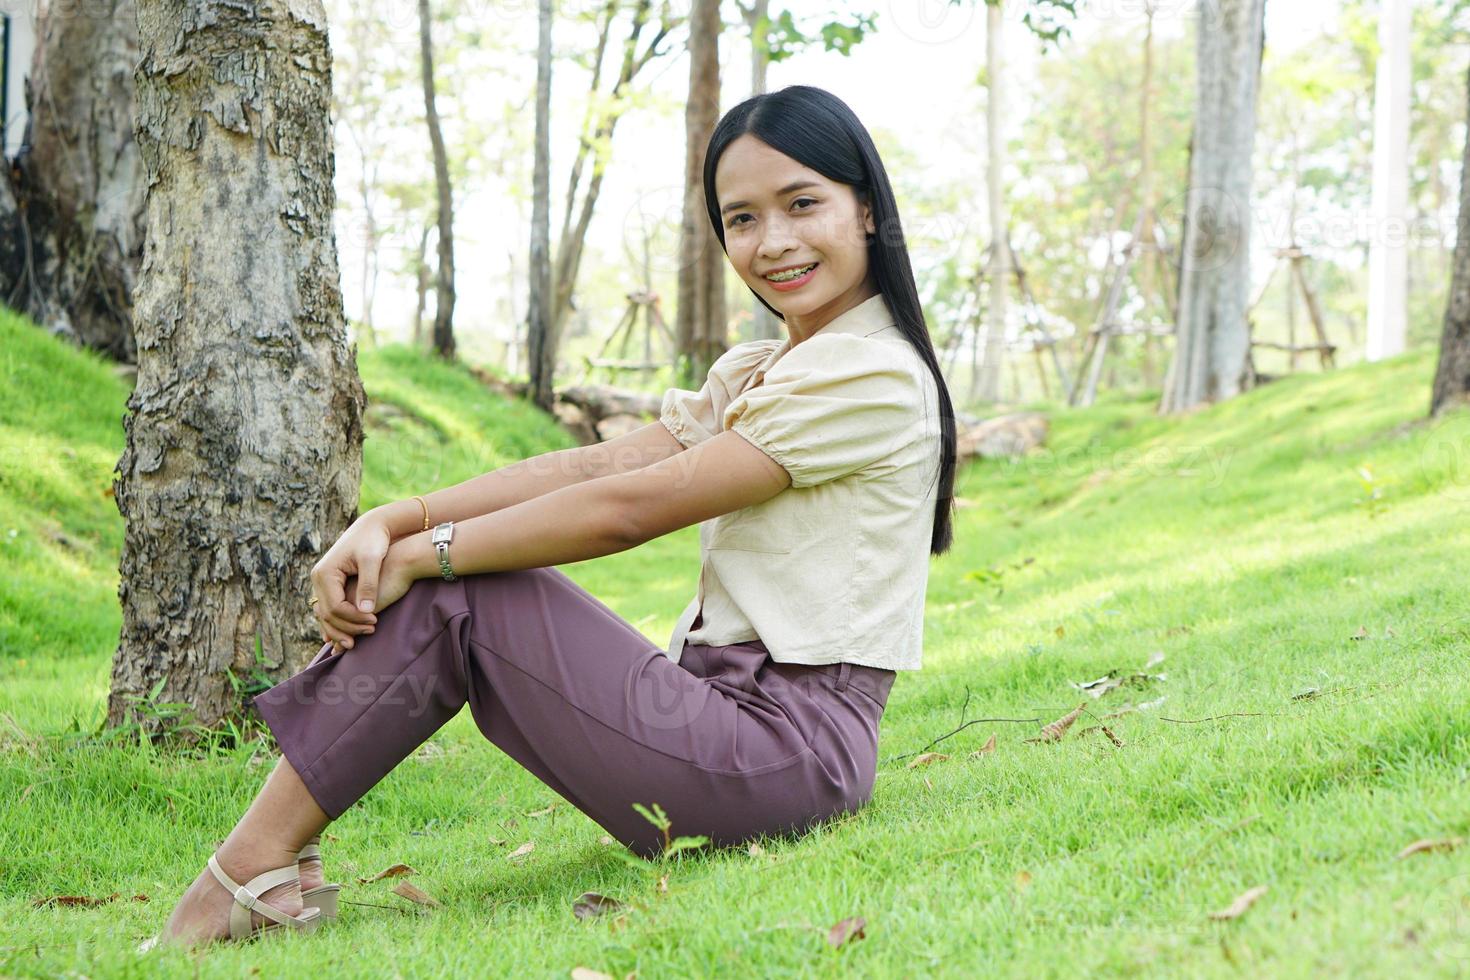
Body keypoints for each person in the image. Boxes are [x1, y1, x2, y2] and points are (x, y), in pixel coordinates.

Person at [147, 83, 959, 948]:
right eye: (744, 219)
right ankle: (272, 865)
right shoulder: (770, 366)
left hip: (785, 757)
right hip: (726, 717)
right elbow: (601, 462)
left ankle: (241, 881)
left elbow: (627, 510)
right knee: (451, 582)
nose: (775, 241)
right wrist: (397, 515)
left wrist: (431, 551)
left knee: (462, 591)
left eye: (803, 204)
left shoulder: (869, 373)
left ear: (866, 209)